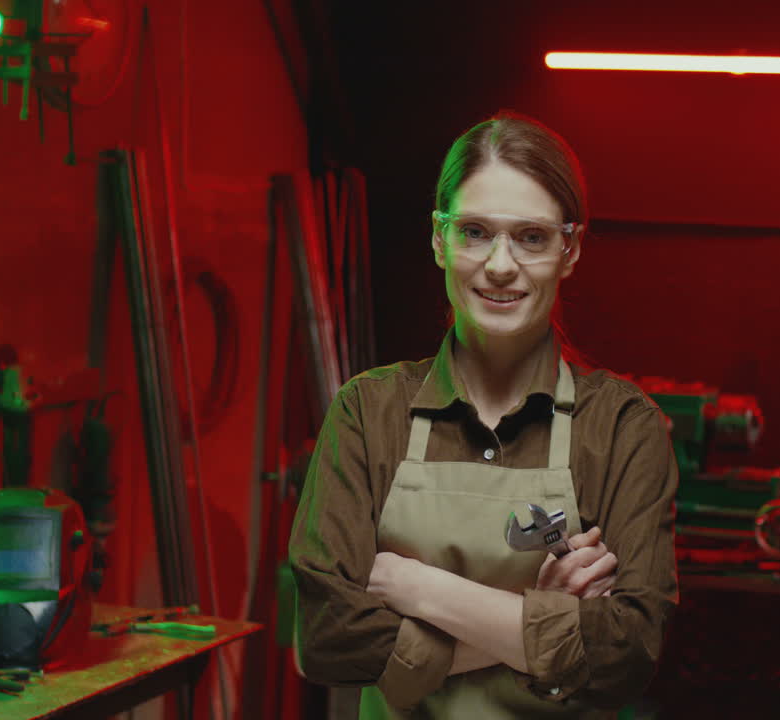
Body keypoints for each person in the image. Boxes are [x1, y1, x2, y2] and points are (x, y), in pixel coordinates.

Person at [288, 111, 679, 718]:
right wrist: (544, 620)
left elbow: (624, 656)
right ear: (439, 240)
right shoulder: (368, 412)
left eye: (531, 236)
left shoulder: (623, 427)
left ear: (569, 250)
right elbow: (325, 640)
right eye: (474, 232)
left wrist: (419, 588)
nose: (500, 265)